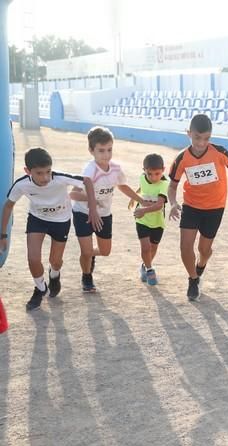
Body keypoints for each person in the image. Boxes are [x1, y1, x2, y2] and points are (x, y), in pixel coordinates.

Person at [0, 147, 101, 310]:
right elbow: (8, 206)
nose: (45, 177)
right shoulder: (21, 185)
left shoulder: (59, 178)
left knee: (55, 261)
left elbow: (87, 181)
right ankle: (40, 288)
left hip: (61, 221)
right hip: (37, 220)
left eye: (48, 171)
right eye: (39, 173)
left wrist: (93, 209)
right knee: (33, 258)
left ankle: (54, 275)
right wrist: (3, 235)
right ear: (28, 171)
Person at [168, 114, 228, 301]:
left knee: (204, 249)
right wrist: (173, 203)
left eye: (206, 138)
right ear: (189, 133)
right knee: (185, 246)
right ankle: (192, 279)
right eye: (197, 138)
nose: (201, 143)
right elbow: (172, 186)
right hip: (191, 205)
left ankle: (201, 266)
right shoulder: (181, 158)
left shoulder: (218, 152)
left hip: (215, 207)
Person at [70, 126, 143, 293]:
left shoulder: (115, 168)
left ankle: (90, 256)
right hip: (83, 213)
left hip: (104, 214)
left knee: (105, 251)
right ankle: (86, 277)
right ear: (91, 150)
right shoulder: (89, 171)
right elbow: (73, 195)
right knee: (86, 251)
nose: (106, 154)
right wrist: (93, 202)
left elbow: (122, 185)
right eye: (101, 150)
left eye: (109, 150)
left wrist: (140, 199)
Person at [130, 153, 170, 285]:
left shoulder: (164, 184)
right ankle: (149, 269)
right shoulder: (142, 177)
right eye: (149, 174)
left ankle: (145, 265)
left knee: (153, 248)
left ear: (163, 170)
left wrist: (143, 210)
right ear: (144, 171)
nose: (153, 177)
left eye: (157, 174)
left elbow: (159, 205)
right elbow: (142, 186)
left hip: (158, 222)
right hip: (142, 220)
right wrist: (134, 197)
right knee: (145, 247)